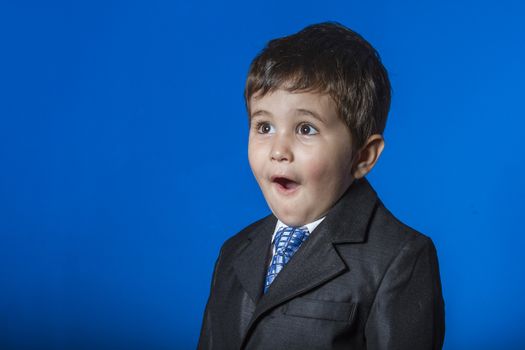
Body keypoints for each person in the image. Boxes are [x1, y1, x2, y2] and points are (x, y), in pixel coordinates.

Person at [198, 22, 445, 350]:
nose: (278, 151)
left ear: (363, 157)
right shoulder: (234, 251)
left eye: (305, 129)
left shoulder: (400, 259)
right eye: (264, 126)